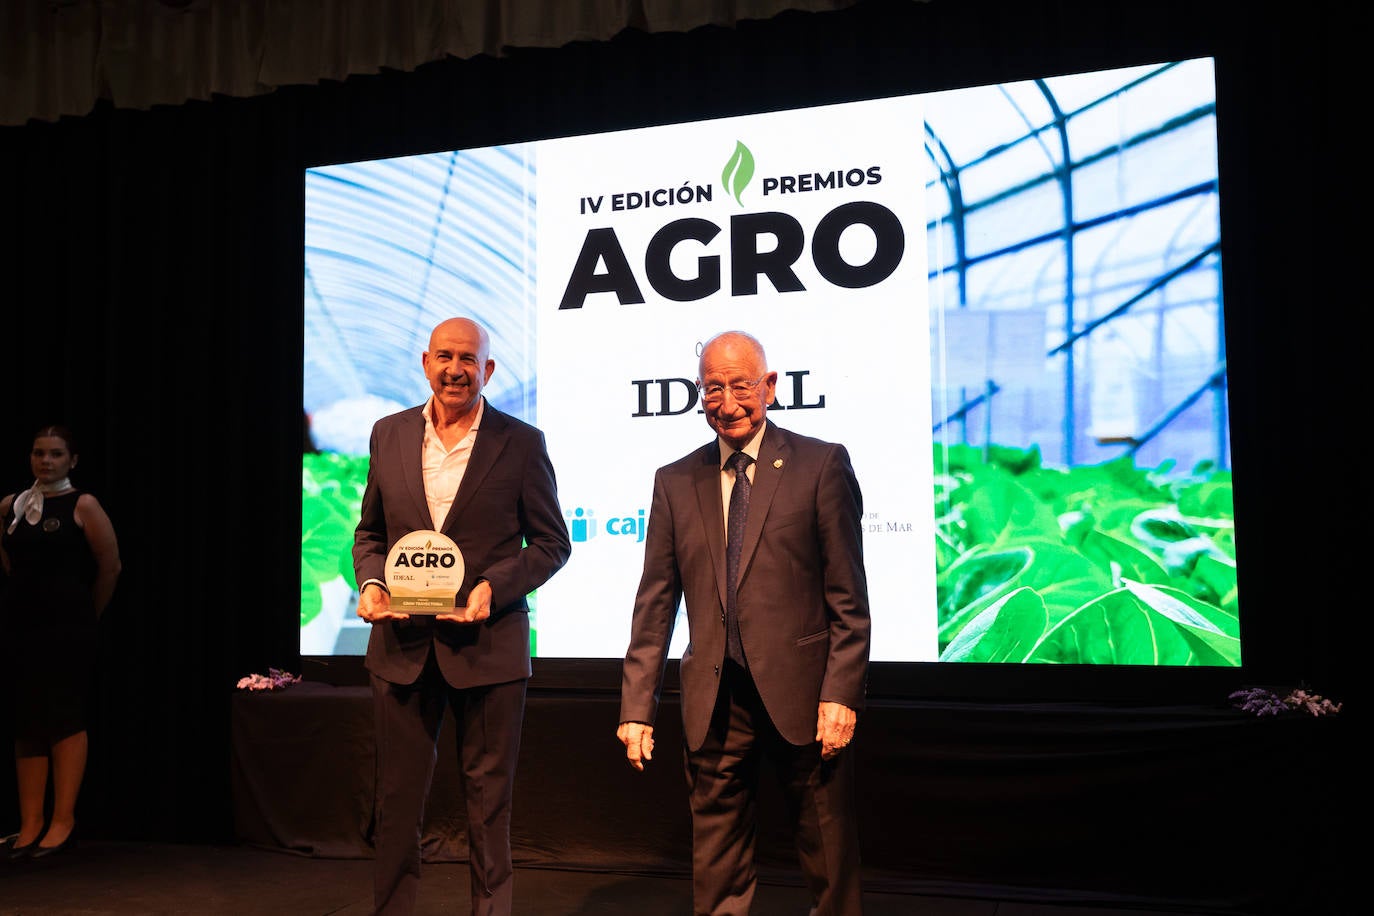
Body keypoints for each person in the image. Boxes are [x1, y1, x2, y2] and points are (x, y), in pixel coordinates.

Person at [618, 330, 872, 915]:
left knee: (829, 859)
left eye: (740, 385)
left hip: (806, 697)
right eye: (714, 387)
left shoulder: (821, 464)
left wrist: (841, 692)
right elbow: (654, 601)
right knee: (716, 865)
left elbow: (849, 597)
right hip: (714, 698)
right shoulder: (674, 480)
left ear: (770, 387)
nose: (727, 402)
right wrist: (636, 707)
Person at [352, 316, 571, 916]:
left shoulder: (521, 443)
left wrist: (490, 591)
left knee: (488, 805)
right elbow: (370, 533)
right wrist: (372, 583)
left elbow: (552, 543)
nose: (456, 369)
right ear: (425, 362)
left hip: (488, 647)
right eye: (445, 356)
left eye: (469, 359)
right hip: (399, 645)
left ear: (488, 370)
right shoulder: (388, 434)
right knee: (395, 802)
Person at [1, 424, 121, 860]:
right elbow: (10, 562)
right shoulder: (11, 506)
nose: (45, 460)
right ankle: (30, 822)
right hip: (20, 628)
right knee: (26, 721)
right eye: (38, 453)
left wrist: (86, 613)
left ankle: (62, 821)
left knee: (64, 717)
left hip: (68, 628)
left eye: (55, 454)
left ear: (72, 460)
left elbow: (110, 566)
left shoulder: (83, 504)